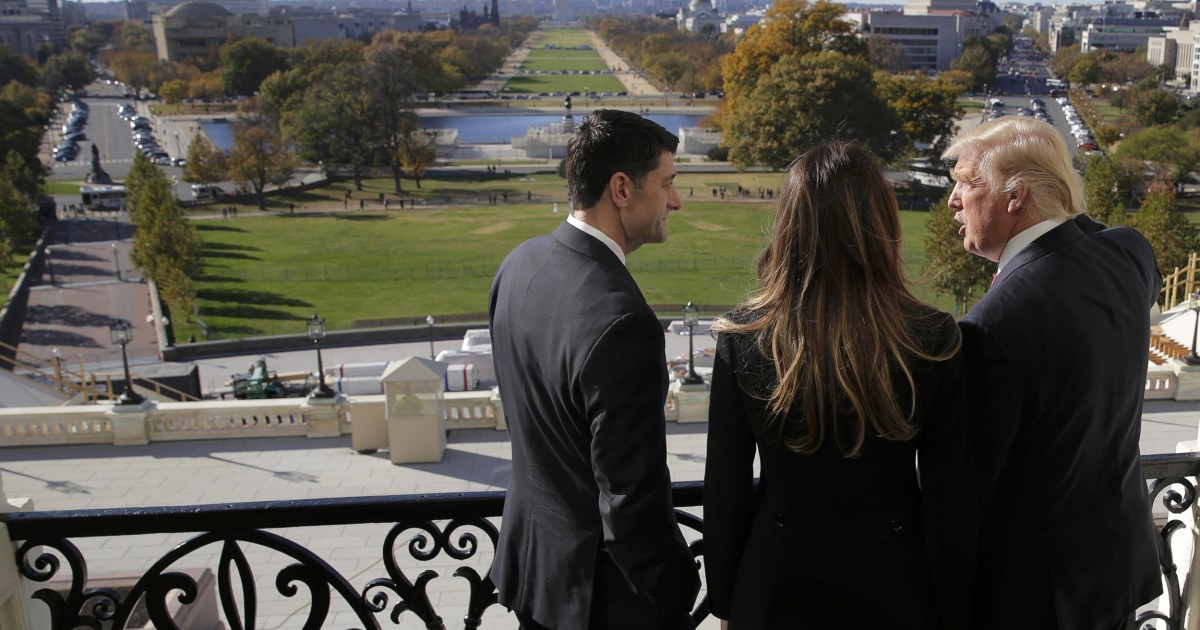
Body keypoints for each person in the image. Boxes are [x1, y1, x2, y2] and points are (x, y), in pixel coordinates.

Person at [704, 141, 975, 629]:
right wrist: (953, 602)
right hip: (896, 582)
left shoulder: (743, 337)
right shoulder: (932, 336)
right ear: (882, 225)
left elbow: (724, 492)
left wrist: (725, 601)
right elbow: (950, 498)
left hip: (776, 582)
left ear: (789, 227)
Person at [944, 117, 1162, 629]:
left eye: (968, 182)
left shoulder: (988, 325)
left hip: (1038, 598)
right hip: (1119, 569)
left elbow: (970, 486)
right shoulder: (1130, 253)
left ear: (1016, 196)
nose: (953, 199)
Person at [489, 109, 700, 630]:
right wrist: (675, 587)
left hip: (534, 573)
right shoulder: (623, 321)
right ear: (622, 189)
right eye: (668, 184)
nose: (676, 200)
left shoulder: (518, 264)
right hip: (599, 602)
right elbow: (631, 499)